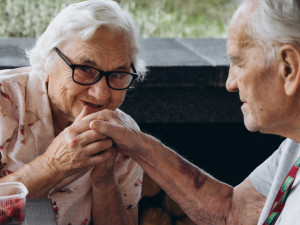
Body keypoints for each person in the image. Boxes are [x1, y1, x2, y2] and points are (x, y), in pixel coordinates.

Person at [89, 0, 300, 224]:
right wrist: (138, 145)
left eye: (239, 63)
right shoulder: (294, 146)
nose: (230, 83)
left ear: (288, 67)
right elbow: (232, 213)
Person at [0, 0, 147, 225]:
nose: (100, 94)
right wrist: (53, 166)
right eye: (85, 69)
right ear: (48, 62)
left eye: (118, 74)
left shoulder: (123, 134)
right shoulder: (4, 101)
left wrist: (105, 182)